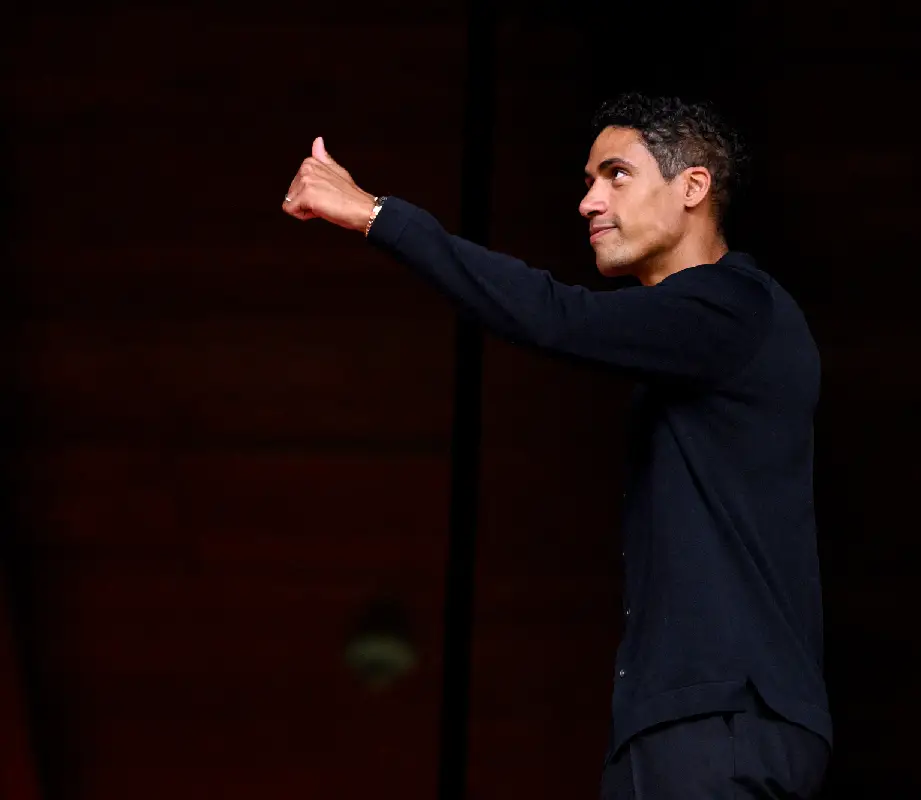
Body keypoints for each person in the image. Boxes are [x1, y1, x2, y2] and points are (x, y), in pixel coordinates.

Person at [282, 93, 831, 798]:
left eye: (616, 175)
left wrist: (378, 215)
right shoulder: (699, 339)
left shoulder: (735, 307)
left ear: (693, 186)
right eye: (587, 181)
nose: (589, 202)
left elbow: (554, 314)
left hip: (718, 722)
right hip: (686, 722)